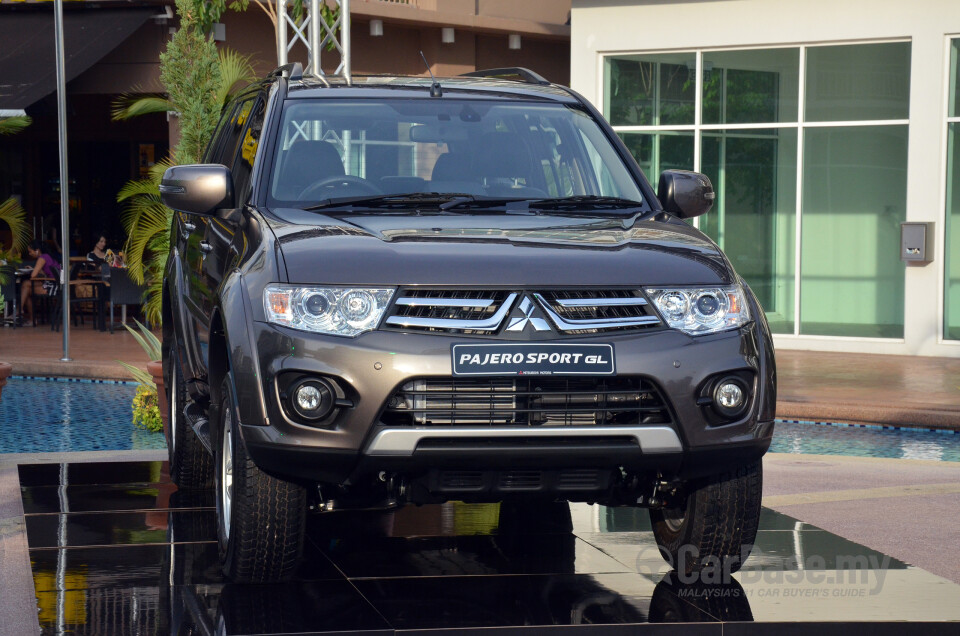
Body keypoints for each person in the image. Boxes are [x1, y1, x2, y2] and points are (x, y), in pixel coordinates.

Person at [20, 240, 61, 325]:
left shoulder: (42, 257)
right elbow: (46, 273)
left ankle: (21, 311)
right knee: (26, 285)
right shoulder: (47, 256)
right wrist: (34, 269)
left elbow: (33, 276)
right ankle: (20, 310)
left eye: (30, 251)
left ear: (37, 250)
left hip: (53, 286)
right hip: (55, 284)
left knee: (26, 289)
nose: (29, 254)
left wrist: (34, 270)